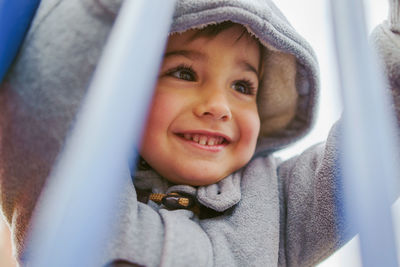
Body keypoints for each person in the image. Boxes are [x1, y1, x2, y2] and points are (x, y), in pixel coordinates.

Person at [0, 0, 399, 266]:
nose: (218, 105)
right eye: (184, 73)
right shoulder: (88, 186)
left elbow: (367, 157)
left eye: (243, 87)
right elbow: (45, 105)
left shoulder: (279, 203)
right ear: (128, 88)